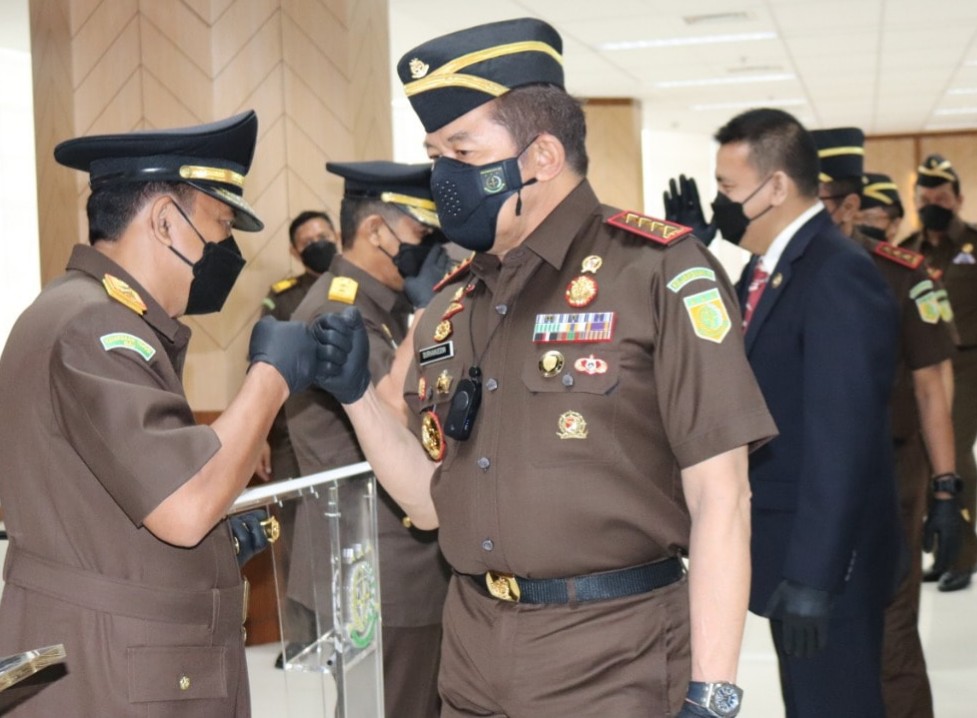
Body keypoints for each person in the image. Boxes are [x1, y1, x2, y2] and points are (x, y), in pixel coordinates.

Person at [309, 17, 777, 718]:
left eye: (462, 151)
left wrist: (712, 693)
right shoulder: (452, 303)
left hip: (613, 656)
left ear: (544, 155)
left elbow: (722, 497)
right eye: (435, 155)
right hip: (471, 656)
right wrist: (357, 399)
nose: (443, 177)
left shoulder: (657, 272)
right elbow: (427, 504)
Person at [0, 111, 334, 717]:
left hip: (92, 650)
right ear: (163, 221)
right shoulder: (98, 325)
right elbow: (182, 507)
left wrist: (214, 548)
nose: (224, 250)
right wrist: (271, 378)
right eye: (219, 226)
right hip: (117, 669)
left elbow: (95, 506)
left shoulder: (63, 306)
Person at [704, 109, 901, 718]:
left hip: (827, 564)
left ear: (777, 187)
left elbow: (844, 441)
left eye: (728, 188)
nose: (721, 203)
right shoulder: (769, 268)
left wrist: (816, 576)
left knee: (836, 705)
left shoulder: (837, 272)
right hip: (790, 550)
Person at [285, 161, 452, 717]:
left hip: (401, 558)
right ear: (377, 231)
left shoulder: (382, 302)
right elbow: (396, 414)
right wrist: (429, 311)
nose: (431, 248)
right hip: (379, 564)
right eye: (420, 233)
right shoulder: (340, 310)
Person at [810, 129, 959, 718]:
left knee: (891, 625)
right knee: (816, 630)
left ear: (850, 206)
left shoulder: (900, 272)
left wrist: (946, 485)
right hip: (809, 477)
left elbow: (931, 386)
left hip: (889, 469)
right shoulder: (785, 272)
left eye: (825, 200)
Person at [900, 153, 977, 592]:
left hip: (969, 361)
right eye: (925, 199)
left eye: (942, 198)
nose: (934, 206)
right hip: (926, 364)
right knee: (929, 452)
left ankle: (962, 557)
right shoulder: (907, 250)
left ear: (958, 200)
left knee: (956, 452)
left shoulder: (973, 245)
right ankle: (945, 549)